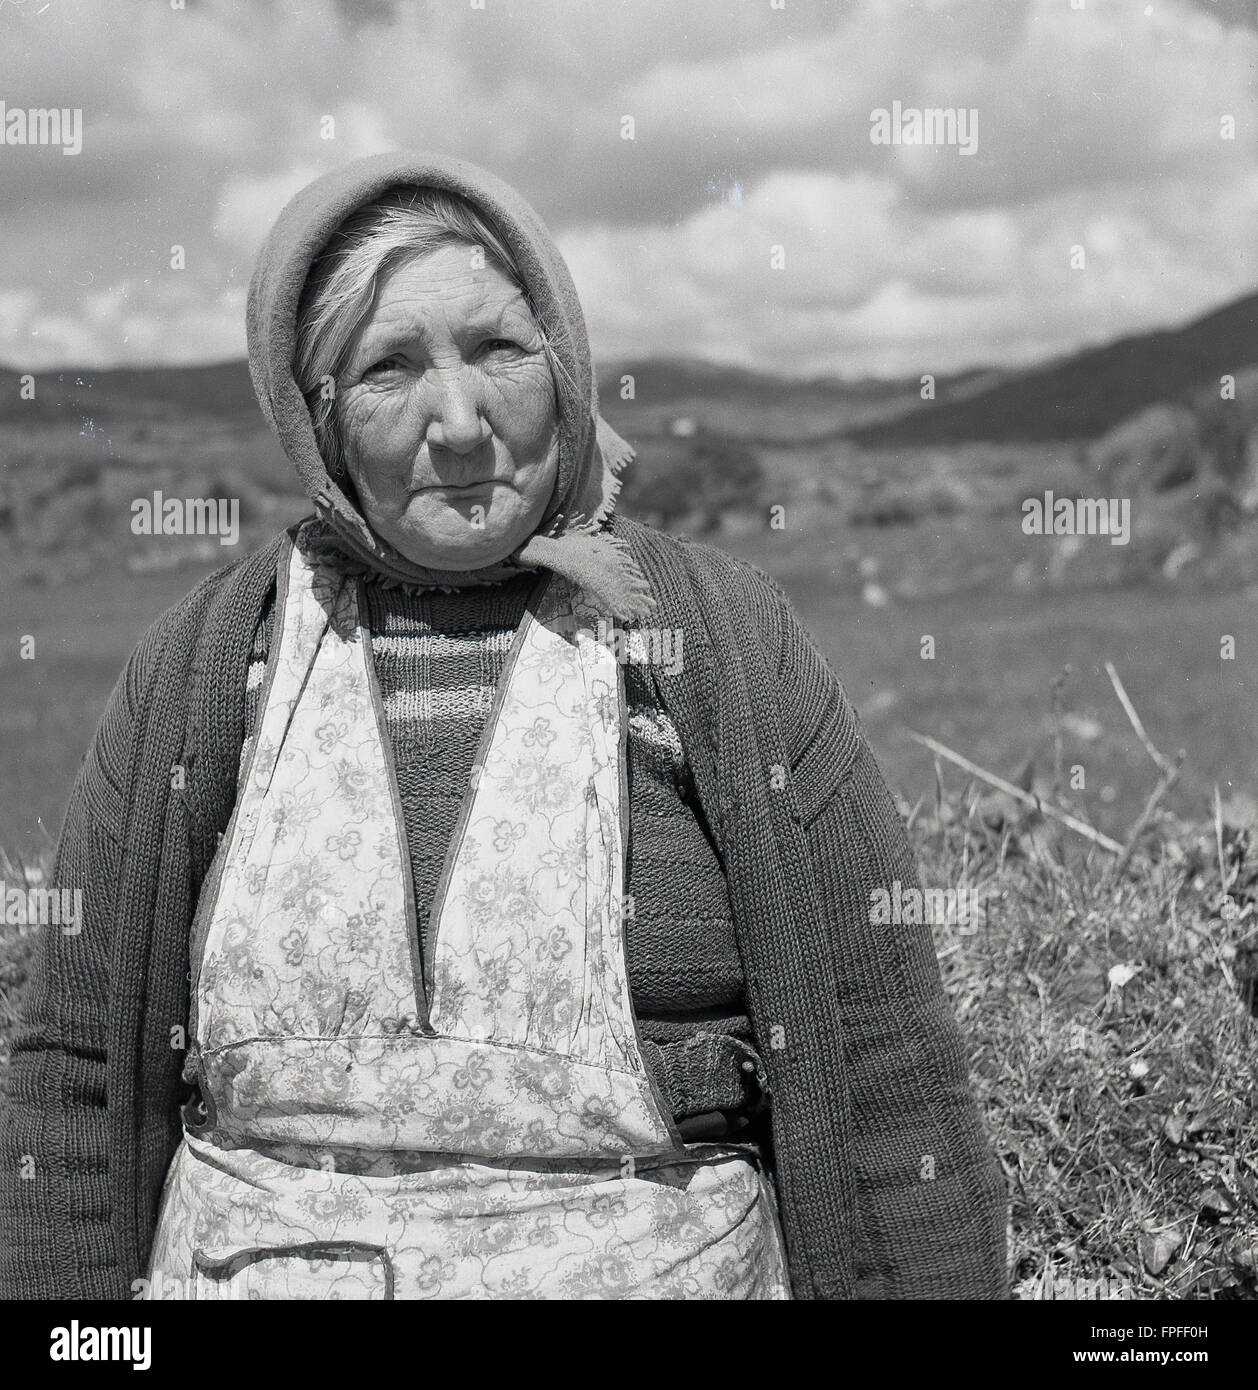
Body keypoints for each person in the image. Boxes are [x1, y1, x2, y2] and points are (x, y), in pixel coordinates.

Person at [0, 151, 1007, 1300]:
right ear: (315, 417)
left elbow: (880, 1055)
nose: (462, 422)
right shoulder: (209, 667)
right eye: (388, 369)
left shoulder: (710, 646)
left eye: (500, 350)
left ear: (565, 365)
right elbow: (77, 1082)